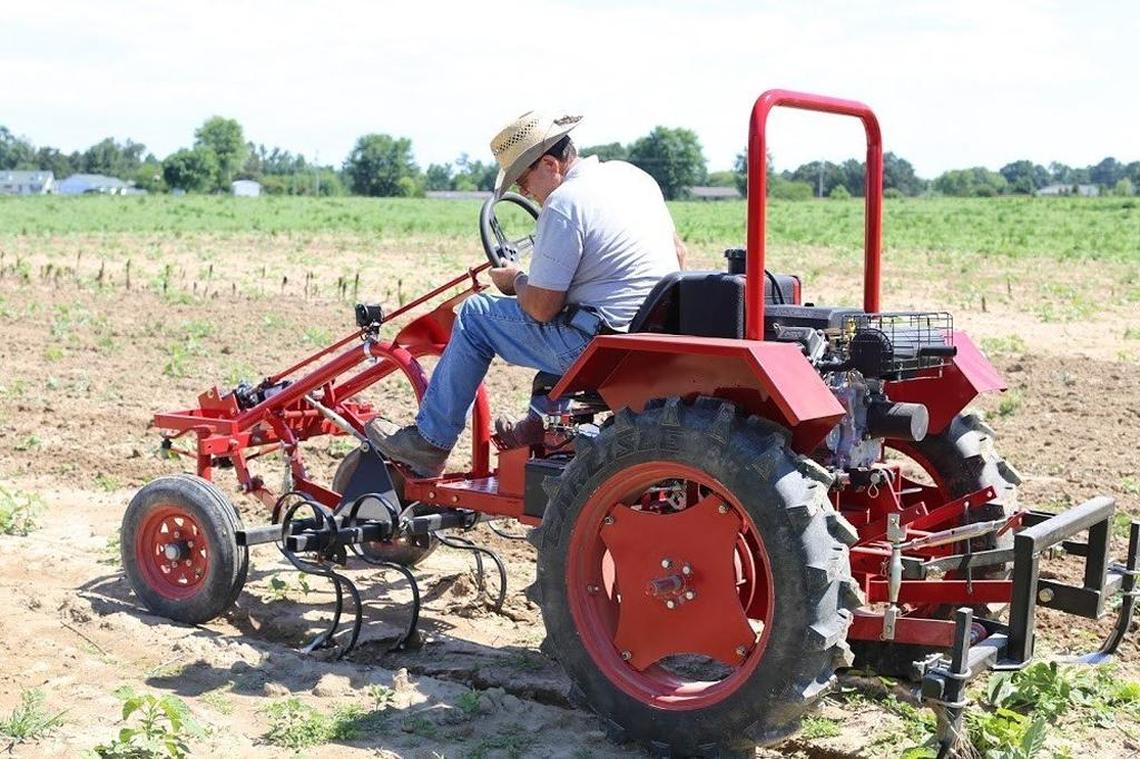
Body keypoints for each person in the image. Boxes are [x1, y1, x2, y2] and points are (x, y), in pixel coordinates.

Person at [367, 111, 686, 477]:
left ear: (550, 164)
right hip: (651, 339)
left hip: (602, 348)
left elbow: (540, 308)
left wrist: (516, 281)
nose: (523, 192)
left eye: (522, 180)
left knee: (476, 315)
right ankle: (539, 424)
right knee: (566, 318)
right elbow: (678, 254)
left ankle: (429, 441)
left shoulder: (566, 202)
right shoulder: (634, 178)